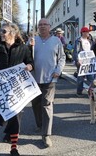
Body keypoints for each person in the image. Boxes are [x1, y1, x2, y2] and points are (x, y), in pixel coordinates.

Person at [0, 22, 34, 156]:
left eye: (4, 31)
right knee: (4, 115)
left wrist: (29, 67)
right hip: (1, 86)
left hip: (17, 86)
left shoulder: (23, 48)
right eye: (1, 31)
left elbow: (30, 62)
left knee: (15, 114)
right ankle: (9, 131)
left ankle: (14, 147)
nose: (1, 33)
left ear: (12, 33)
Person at [31, 18, 66, 148]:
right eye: (40, 25)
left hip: (50, 78)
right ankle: (40, 124)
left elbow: (62, 57)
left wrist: (58, 70)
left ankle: (46, 135)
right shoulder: (33, 41)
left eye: (45, 24)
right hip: (34, 78)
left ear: (50, 26)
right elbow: (26, 57)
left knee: (46, 104)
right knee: (35, 103)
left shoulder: (56, 41)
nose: (42, 26)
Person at [73, 26, 95, 96]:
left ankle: (92, 91)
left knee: (91, 77)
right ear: (83, 32)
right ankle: (79, 91)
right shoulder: (79, 41)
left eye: (88, 32)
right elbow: (76, 51)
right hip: (81, 61)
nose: (88, 33)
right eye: (86, 32)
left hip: (89, 62)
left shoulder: (90, 41)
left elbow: (92, 51)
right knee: (81, 78)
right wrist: (77, 60)